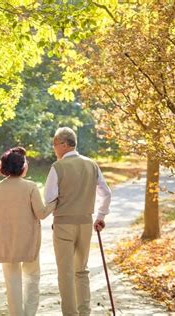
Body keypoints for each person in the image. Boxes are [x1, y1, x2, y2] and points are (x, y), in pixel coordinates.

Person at [44, 127, 112, 316]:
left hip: (63, 225)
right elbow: (106, 193)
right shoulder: (91, 164)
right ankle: (85, 313)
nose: (54, 148)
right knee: (81, 271)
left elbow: (49, 198)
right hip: (85, 225)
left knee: (66, 273)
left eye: (55, 144)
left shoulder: (57, 167)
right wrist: (100, 216)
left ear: (64, 144)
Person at [0, 147, 56, 316]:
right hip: (28, 241)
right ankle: (29, 313)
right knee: (32, 278)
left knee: (12, 282)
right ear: (22, 166)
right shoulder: (30, 187)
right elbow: (41, 213)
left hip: (6, 242)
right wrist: (54, 202)